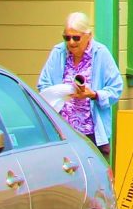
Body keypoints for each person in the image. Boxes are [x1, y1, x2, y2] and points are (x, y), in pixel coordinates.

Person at [38, 12, 124, 155]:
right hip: (62, 131)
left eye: (76, 38)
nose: (71, 42)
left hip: (91, 132)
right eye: (67, 37)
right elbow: (43, 84)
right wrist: (59, 93)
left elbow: (116, 88)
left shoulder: (101, 53)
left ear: (88, 35)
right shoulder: (58, 52)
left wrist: (94, 94)